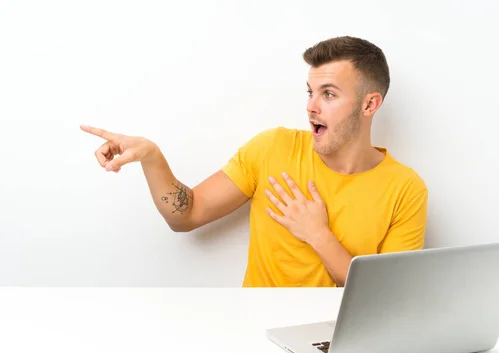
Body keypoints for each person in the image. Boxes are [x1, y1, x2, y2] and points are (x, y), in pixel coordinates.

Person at [81, 36, 428, 287]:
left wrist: (318, 235)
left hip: (341, 340)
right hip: (256, 335)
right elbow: (186, 216)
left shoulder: (405, 188)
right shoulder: (272, 149)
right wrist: (151, 157)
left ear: (369, 105)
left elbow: (387, 298)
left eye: (329, 94)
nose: (311, 106)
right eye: (310, 92)